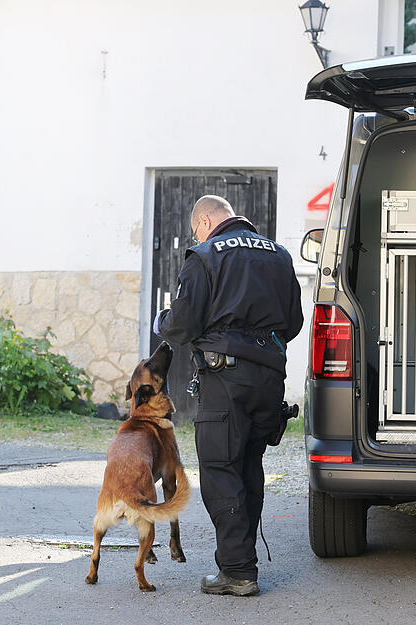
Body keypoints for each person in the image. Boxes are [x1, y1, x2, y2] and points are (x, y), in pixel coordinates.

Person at [153, 194, 304, 596]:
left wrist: (162, 322)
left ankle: (237, 572)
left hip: (225, 381)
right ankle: (242, 562)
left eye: (194, 229)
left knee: (221, 469)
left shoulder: (204, 255)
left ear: (204, 221)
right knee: (249, 467)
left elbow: (183, 325)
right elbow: (293, 323)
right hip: (269, 379)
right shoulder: (280, 256)